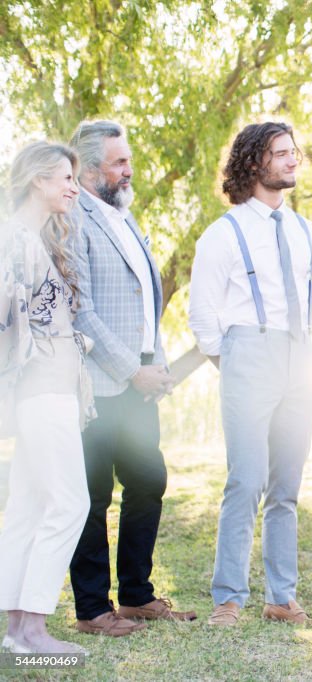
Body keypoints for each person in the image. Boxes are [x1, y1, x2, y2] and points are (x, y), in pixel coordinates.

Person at [189, 121, 312, 626]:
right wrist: (234, 362)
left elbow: (310, 303)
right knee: (245, 481)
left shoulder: (306, 231)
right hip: (248, 353)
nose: (293, 161)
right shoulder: (223, 234)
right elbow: (202, 312)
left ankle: (280, 597)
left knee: (286, 486)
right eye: (281, 154)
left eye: (295, 152)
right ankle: (228, 598)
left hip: (300, 357)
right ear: (254, 163)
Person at [68, 121, 194, 636]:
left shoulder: (125, 215)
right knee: (93, 496)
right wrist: (130, 369)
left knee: (148, 480)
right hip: (99, 384)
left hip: (143, 379)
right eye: (119, 162)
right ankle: (92, 609)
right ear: (92, 170)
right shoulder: (74, 219)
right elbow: (82, 310)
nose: (129, 169)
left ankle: (138, 596)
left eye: (127, 159)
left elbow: (146, 301)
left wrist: (156, 363)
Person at [0, 142, 92, 654]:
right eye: (64, 178)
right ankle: (33, 627)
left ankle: (17, 630)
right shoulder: (16, 240)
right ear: (38, 180)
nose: (73, 188)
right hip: (41, 391)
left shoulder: (29, 238)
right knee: (69, 502)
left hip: (50, 390)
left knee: (30, 505)